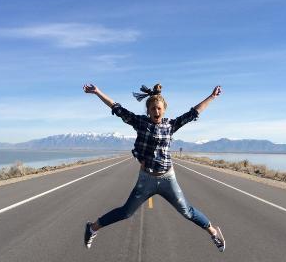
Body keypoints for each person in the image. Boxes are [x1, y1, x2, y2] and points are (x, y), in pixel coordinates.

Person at [82, 83, 226, 252]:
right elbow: (117, 107)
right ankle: (92, 228)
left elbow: (194, 112)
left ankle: (214, 232)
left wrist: (212, 97)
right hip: (146, 179)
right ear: (148, 111)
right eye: (152, 109)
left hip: (167, 178)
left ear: (164, 109)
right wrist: (98, 91)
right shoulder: (140, 123)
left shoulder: (171, 125)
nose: (156, 112)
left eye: (158, 109)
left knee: (187, 211)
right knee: (126, 212)